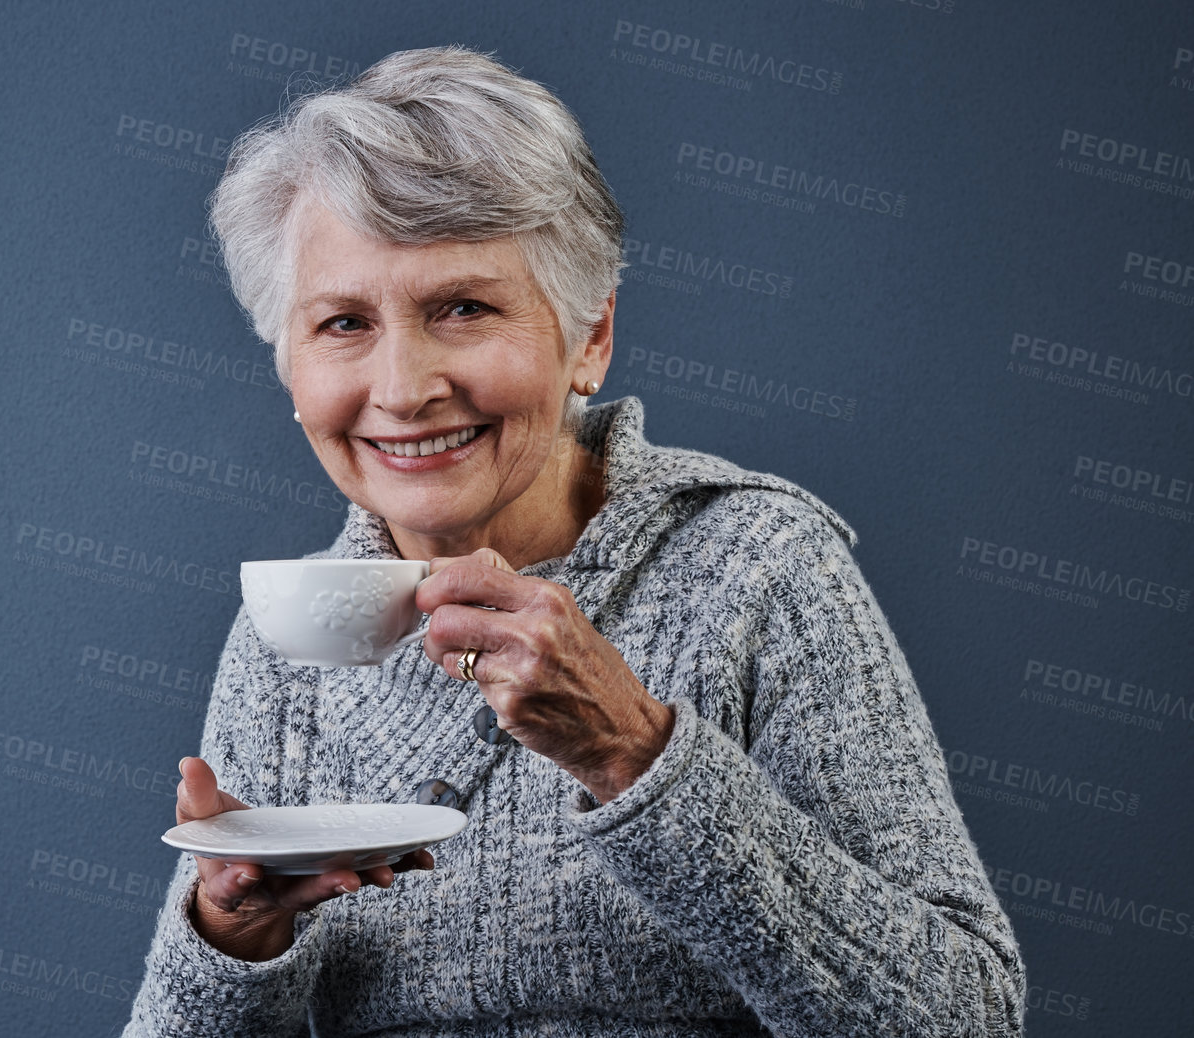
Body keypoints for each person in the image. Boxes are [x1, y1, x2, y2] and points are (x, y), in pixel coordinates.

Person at [122, 45, 1024, 1038]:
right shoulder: (282, 649)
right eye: (342, 323)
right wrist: (229, 932)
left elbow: (963, 1018)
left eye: (462, 308)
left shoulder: (759, 567)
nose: (402, 387)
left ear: (587, 335)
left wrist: (638, 754)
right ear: (288, 365)